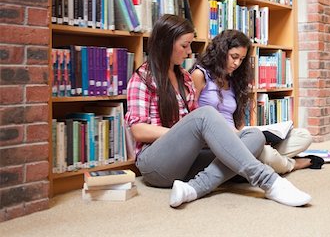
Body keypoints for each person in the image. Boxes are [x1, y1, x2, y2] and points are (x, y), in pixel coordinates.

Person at [124, 14, 311, 208]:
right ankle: (269, 182)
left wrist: (205, 138)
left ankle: (195, 187)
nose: (189, 52)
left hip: (187, 161)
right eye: (184, 45)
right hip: (155, 164)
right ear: (166, 43)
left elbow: (197, 126)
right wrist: (188, 135)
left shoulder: (185, 79)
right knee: (206, 114)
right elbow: (138, 130)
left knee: (254, 136)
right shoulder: (143, 78)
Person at [190, 29, 324, 175]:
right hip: (217, 142)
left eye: (241, 59)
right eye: (234, 57)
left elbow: (238, 124)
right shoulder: (200, 75)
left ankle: (262, 159)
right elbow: (190, 118)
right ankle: (294, 164)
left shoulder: (233, 80)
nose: (236, 63)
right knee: (266, 154)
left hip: (239, 137)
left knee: (304, 136)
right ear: (221, 52)